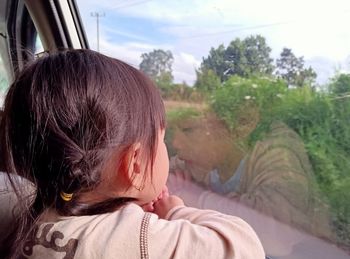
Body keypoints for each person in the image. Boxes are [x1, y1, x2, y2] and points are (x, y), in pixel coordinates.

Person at [0, 49, 264, 259]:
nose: (169, 148)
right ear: (135, 165)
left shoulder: (23, 218)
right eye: (161, 139)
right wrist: (175, 212)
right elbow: (244, 248)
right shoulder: (143, 240)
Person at [169, 113, 334, 242]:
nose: (175, 143)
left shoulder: (278, 151)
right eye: (173, 131)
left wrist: (191, 197)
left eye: (188, 130)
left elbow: (277, 236)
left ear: (238, 126)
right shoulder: (195, 160)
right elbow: (157, 178)